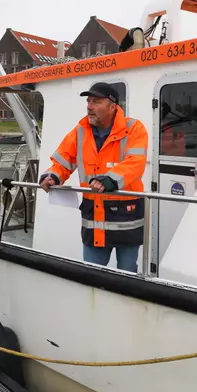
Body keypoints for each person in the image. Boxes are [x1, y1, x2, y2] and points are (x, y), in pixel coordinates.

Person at [38, 82, 148, 273]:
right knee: (91, 274)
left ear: (112, 106)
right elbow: (63, 161)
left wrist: (110, 179)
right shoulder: (80, 131)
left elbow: (136, 163)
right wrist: (52, 176)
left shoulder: (134, 128)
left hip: (126, 217)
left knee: (127, 274)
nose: (89, 106)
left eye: (96, 101)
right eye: (88, 101)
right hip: (94, 216)